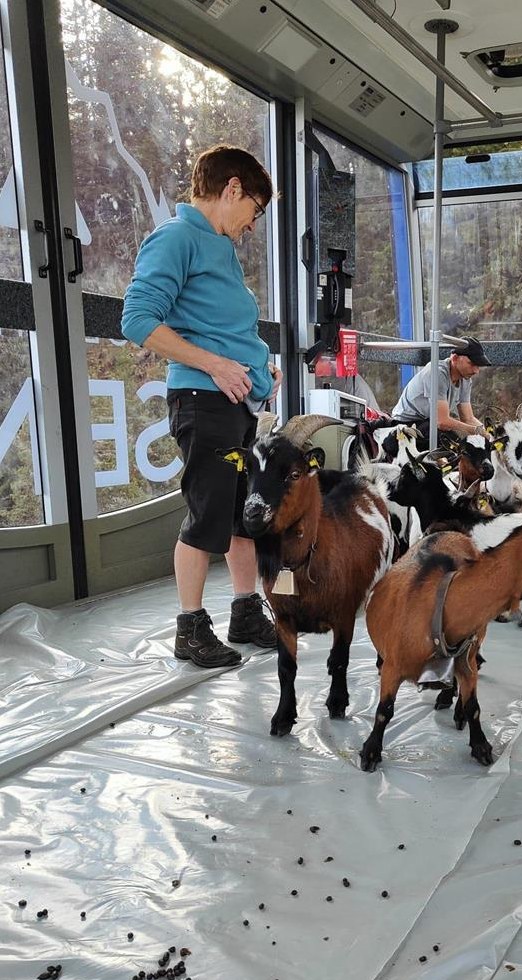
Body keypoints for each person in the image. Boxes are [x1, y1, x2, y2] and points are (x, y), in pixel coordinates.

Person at [121, 144, 281, 667]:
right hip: (202, 399)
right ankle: (189, 628)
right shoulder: (176, 238)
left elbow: (222, 328)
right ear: (232, 188)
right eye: (254, 209)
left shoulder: (220, 248)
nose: (252, 224)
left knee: (241, 516)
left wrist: (258, 368)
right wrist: (215, 365)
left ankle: (244, 611)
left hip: (233, 401)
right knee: (208, 515)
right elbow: (137, 321)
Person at [391, 336, 490, 447]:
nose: (476, 371)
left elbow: (468, 418)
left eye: (478, 366)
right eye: (472, 364)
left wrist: (490, 436)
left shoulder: (465, 379)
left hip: (429, 423)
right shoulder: (437, 373)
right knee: (452, 446)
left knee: (461, 446)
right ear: (455, 358)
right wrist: (477, 431)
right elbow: (442, 421)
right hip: (405, 425)